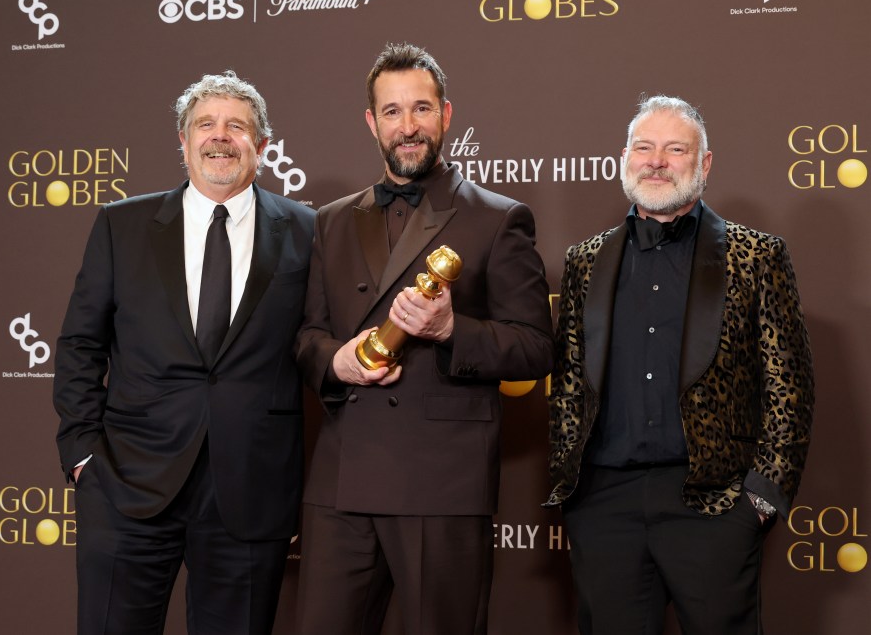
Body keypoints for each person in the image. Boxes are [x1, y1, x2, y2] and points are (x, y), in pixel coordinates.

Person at [294, 42, 554, 634]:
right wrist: (337, 362)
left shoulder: (498, 217)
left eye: (421, 108)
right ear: (371, 122)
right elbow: (308, 335)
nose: (407, 126)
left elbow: (536, 346)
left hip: (441, 484)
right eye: (392, 111)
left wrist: (451, 329)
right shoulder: (331, 220)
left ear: (446, 114)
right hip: (341, 480)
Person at [53, 71, 315, 635]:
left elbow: (318, 344)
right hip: (127, 482)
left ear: (262, 144)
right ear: (183, 139)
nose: (220, 136)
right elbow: (79, 345)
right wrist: (82, 455)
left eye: (236, 126)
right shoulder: (122, 224)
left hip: (251, 491)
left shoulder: (308, 230)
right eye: (205, 124)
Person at [545, 95, 815, 634]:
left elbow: (790, 387)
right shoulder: (585, 261)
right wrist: (574, 491)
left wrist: (761, 498)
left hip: (715, 505)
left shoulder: (755, 256)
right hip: (604, 504)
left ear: (704, 163)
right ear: (625, 158)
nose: (656, 161)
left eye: (675, 149)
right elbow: (569, 384)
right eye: (644, 148)